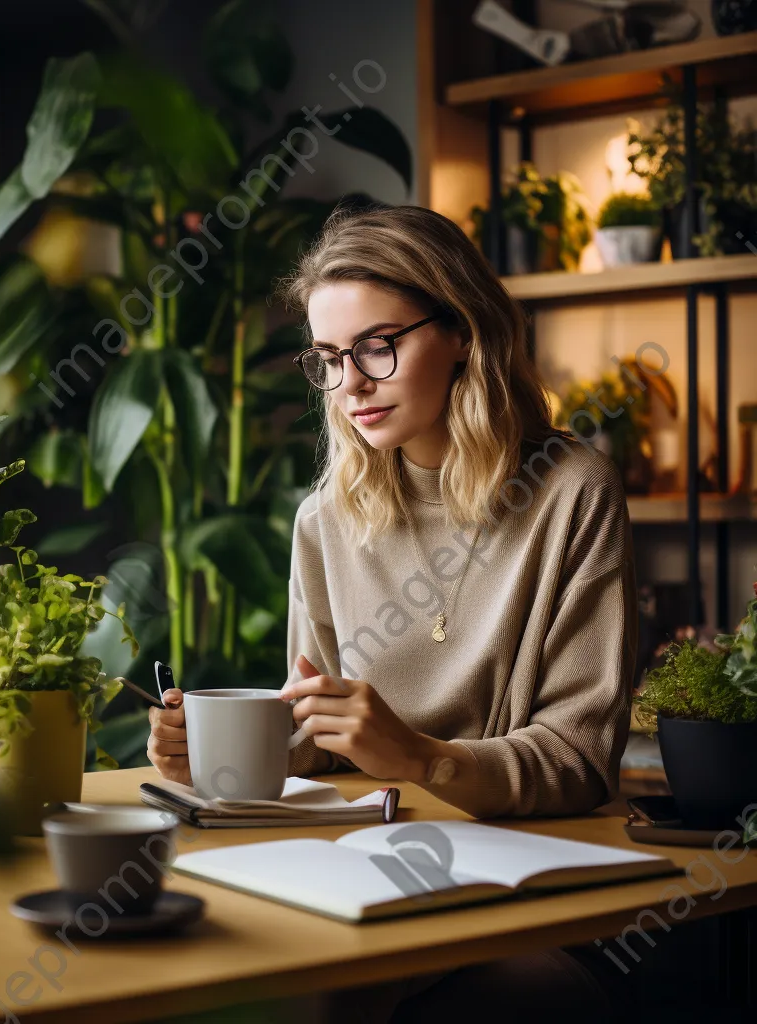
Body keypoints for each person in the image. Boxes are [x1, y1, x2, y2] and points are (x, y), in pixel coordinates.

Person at [146, 204, 638, 1023]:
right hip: (362, 869)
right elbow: (321, 742)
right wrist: (223, 756)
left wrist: (420, 756)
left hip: (521, 888)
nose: (351, 387)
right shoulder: (325, 518)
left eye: (379, 346)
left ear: (465, 334)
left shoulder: (572, 491)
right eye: (330, 359)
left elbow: (579, 759)